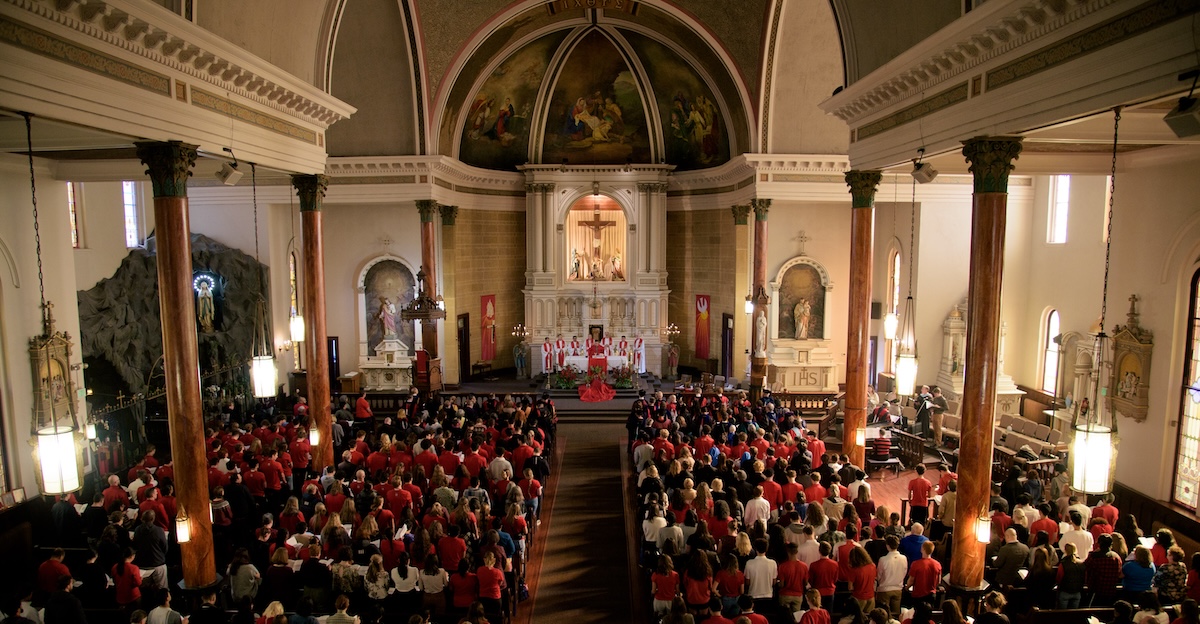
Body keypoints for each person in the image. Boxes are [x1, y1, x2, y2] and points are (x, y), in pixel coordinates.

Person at [875, 536, 906, 618]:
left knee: (883, 615)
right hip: (898, 589)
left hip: (884, 589)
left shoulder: (883, 559)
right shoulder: (904, 558)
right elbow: (904, 572)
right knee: (896, 614)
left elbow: (878, 575)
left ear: (887, 545)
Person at [1057, 541, 1087, 608]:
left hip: (1065, 591)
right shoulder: (1081, 564)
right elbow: (1085, 577)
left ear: (1065, 550)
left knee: (1062, 614)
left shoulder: (1063, 564)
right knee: (1073, 614)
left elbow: (1059, 577)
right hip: (1077, 591)